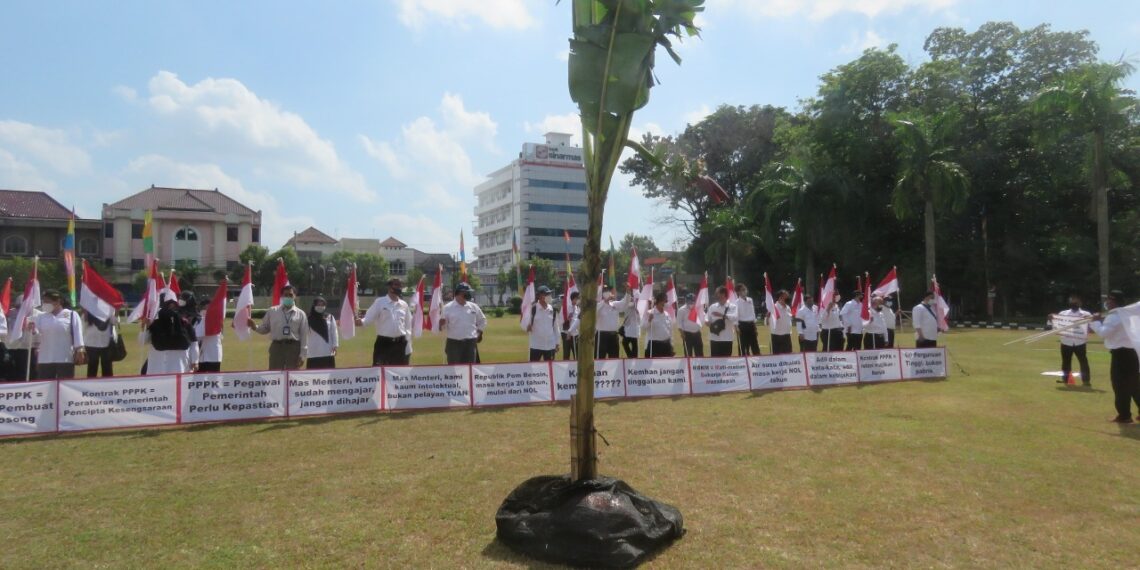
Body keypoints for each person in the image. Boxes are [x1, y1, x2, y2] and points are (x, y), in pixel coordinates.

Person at [1090, 291, 1139, 423]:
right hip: (1132, 354)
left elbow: (1104, 333)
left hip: (1121, 355)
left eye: (1109, 301)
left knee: (1120, 385)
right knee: (1134, 385)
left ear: (1113, 301)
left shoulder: (1115, 316)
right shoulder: (1126, 314)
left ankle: (1124, 415)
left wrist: (1095, 322)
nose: (1107, 303)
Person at [248, 284, 308, 370]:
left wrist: (302, 355)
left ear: (295, 296)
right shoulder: (272, 311)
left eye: (290, 295)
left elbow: (304, 336)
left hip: (293, 348)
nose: (288, 297)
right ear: (282, 296)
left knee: (291, 376)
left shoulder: (301, 314)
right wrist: (254, 327)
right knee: (275, 375)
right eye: (285, 295)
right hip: (277, 347)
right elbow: (265, 328)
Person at [28, 290, 84, 379]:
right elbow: (36, 333)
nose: (45, 304)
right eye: (44, 301)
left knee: (65, 385)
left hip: (65, 357)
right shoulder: (41, 316)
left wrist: (79, 349)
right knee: (46, 386)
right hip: (45, 358)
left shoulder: (72, 315)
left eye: (48, 301)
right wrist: (32, 329)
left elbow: (78, 333)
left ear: (58, 301)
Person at [358, 278, 411, 365]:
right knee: (380, 371)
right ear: (390, 287)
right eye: (396, 285)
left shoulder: (404, 305)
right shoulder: (380, 302)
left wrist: (408, 344)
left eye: (400, 285)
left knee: (399, 372)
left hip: (400, 343)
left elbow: (408, 325)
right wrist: (360, 322)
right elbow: (368, 318)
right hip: (384, 344)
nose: (399, 287)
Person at [145, 291, 199, 374]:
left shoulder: (155, 322)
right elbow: (194, 342)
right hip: (179, 366)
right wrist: (194, 361)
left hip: (157, 367)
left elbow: (143, 340)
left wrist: (146, 328)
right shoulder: (184, 321)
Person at [439, 282, 486, 364]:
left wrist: (479, 333)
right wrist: (441, 324)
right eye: (467, 292)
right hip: (454, 344)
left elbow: (482, 320)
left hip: (470, 343)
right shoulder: (447, 308)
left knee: (470, 368)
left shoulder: (473, 307)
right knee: (454, 369)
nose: (469, 294)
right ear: (460, 293)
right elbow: (442, 328)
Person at [1051, 294, 1092, 386]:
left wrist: (1088, 322)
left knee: (1083, 361)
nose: (1074, 302)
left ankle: (1086, 381)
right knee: (1066, 362)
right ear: (1069, 302)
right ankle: (1065, 380)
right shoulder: (1062, 313)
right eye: (1072, 301)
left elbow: (1091, 327)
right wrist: (1051, 319)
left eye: (1076, 301)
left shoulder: (1086, 314)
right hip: (1066, 341)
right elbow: (1055, 326)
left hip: (1080, 342)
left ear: (1080, 303)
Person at [5, 299, 38, 381]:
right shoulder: (9, 313)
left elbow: (41, 334)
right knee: (11, 374)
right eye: (17, 307)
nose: (19, 309)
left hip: (29, 349)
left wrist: (34, 330)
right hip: (11, 348)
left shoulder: (38, 314)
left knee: (28, 374)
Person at [304, 296, 338, 369]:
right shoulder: (308, 319)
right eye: (318, 305)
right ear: (314, 305)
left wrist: (335, 345)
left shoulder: (330, 317)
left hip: (328, 351)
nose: (320, 307)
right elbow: (304, 334)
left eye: (322, 305)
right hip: (313, 353)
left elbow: (334, 332)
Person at [527, 286, 558, 362]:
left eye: (549, 294)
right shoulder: (533, 308)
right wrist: (528, 326)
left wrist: (557, 343)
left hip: (550, 345)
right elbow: (527, 326)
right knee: (533, 370)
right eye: (546, 294)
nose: (549, 296)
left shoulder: (552, 309)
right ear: (539, 296)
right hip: (536, 345)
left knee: (550, 370)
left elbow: (556, 327)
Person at [83, 308, 117, 377]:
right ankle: (91, 386)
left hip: (105, 343)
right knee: (92, 369)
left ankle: (107, 387)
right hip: (91, 343)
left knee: (107, 369)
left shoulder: (108, 309)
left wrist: (117, 310)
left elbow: (114, 321)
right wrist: (85, 311)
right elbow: (84, 322)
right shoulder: (89, 308)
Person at [706, 286, 738, 357]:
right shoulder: (712, 307)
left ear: (724, 294)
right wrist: (708, 323)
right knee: (715, 360)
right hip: (714, 338)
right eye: (716, 294)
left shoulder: (732, 307)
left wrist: (722, 315)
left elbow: (735, 317)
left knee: (726, 360)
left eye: (718, 293)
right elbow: (707, 319)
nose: (717, 295)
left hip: (727, 338)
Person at [595, 285, 624, 359]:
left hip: (613, 335)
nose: (609, 293)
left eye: (609, 291)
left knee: (614, 358)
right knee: (600, 358)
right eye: (606, 291)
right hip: (601, 336)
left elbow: (625, 303)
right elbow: (595, 311)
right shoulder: (599, 305)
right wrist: (604, 301)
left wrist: (628, 293)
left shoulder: (615, 304)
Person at [194, 298, 223, 372]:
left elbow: (197, 336)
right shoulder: (198, 320)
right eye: (204, 308)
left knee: (214, 379)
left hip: (213, 355)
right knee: (199, 379)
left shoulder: (216, 320)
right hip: (201, 355)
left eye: (208, 308)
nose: (205, 310)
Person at [644, 291, 674, 357]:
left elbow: (670, 331)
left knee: (667, 366)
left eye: (666, 301)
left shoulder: (667, 314)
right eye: (664, 301)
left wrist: (671, 344)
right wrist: (649, 320)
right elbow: (644, 327)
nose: (665, 303)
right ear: (658, 301)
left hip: (666, 345)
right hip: (654, 345)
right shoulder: (649, 313)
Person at [735, 283, 760, 356]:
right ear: (738, 292)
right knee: (744, 346)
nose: (745, 291)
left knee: (755, 344)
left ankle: (758, 362)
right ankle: (745, 361)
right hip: (742, 325)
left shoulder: (750, 300)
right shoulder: (736, 302)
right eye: (743, 290)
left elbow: (753, 313)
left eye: (745, 289)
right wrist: (736, 327)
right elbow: (736, 316)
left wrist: (755, 326)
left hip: (751, 324)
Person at [769, 289, 793, 354]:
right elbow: (767, 322)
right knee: (777, 356)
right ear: (780, 297)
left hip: (787, 335)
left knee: (788, 355)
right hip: (777, 336)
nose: (788, 298)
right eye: (786, 296)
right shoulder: (774, 307)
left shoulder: (788, 308)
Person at [620, 289, 641, 359]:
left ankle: (633, 358)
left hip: (635, 328)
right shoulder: (627, 302)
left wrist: (637, 300)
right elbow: (629, 305)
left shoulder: (638, 303)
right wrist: (635, 300)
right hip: (628, 328)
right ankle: (631, 357)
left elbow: (638, 306)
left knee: (634, 344)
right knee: (625, 343)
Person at [562, 291, 580, 360]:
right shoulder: (566, 308)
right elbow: (562, 321)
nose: (579, 300)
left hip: (575, 334)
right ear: (573, 299)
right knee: (566, 354)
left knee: (577, 354)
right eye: (578, 298)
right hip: (567, 334)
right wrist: (567, 319)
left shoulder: (577, 308)